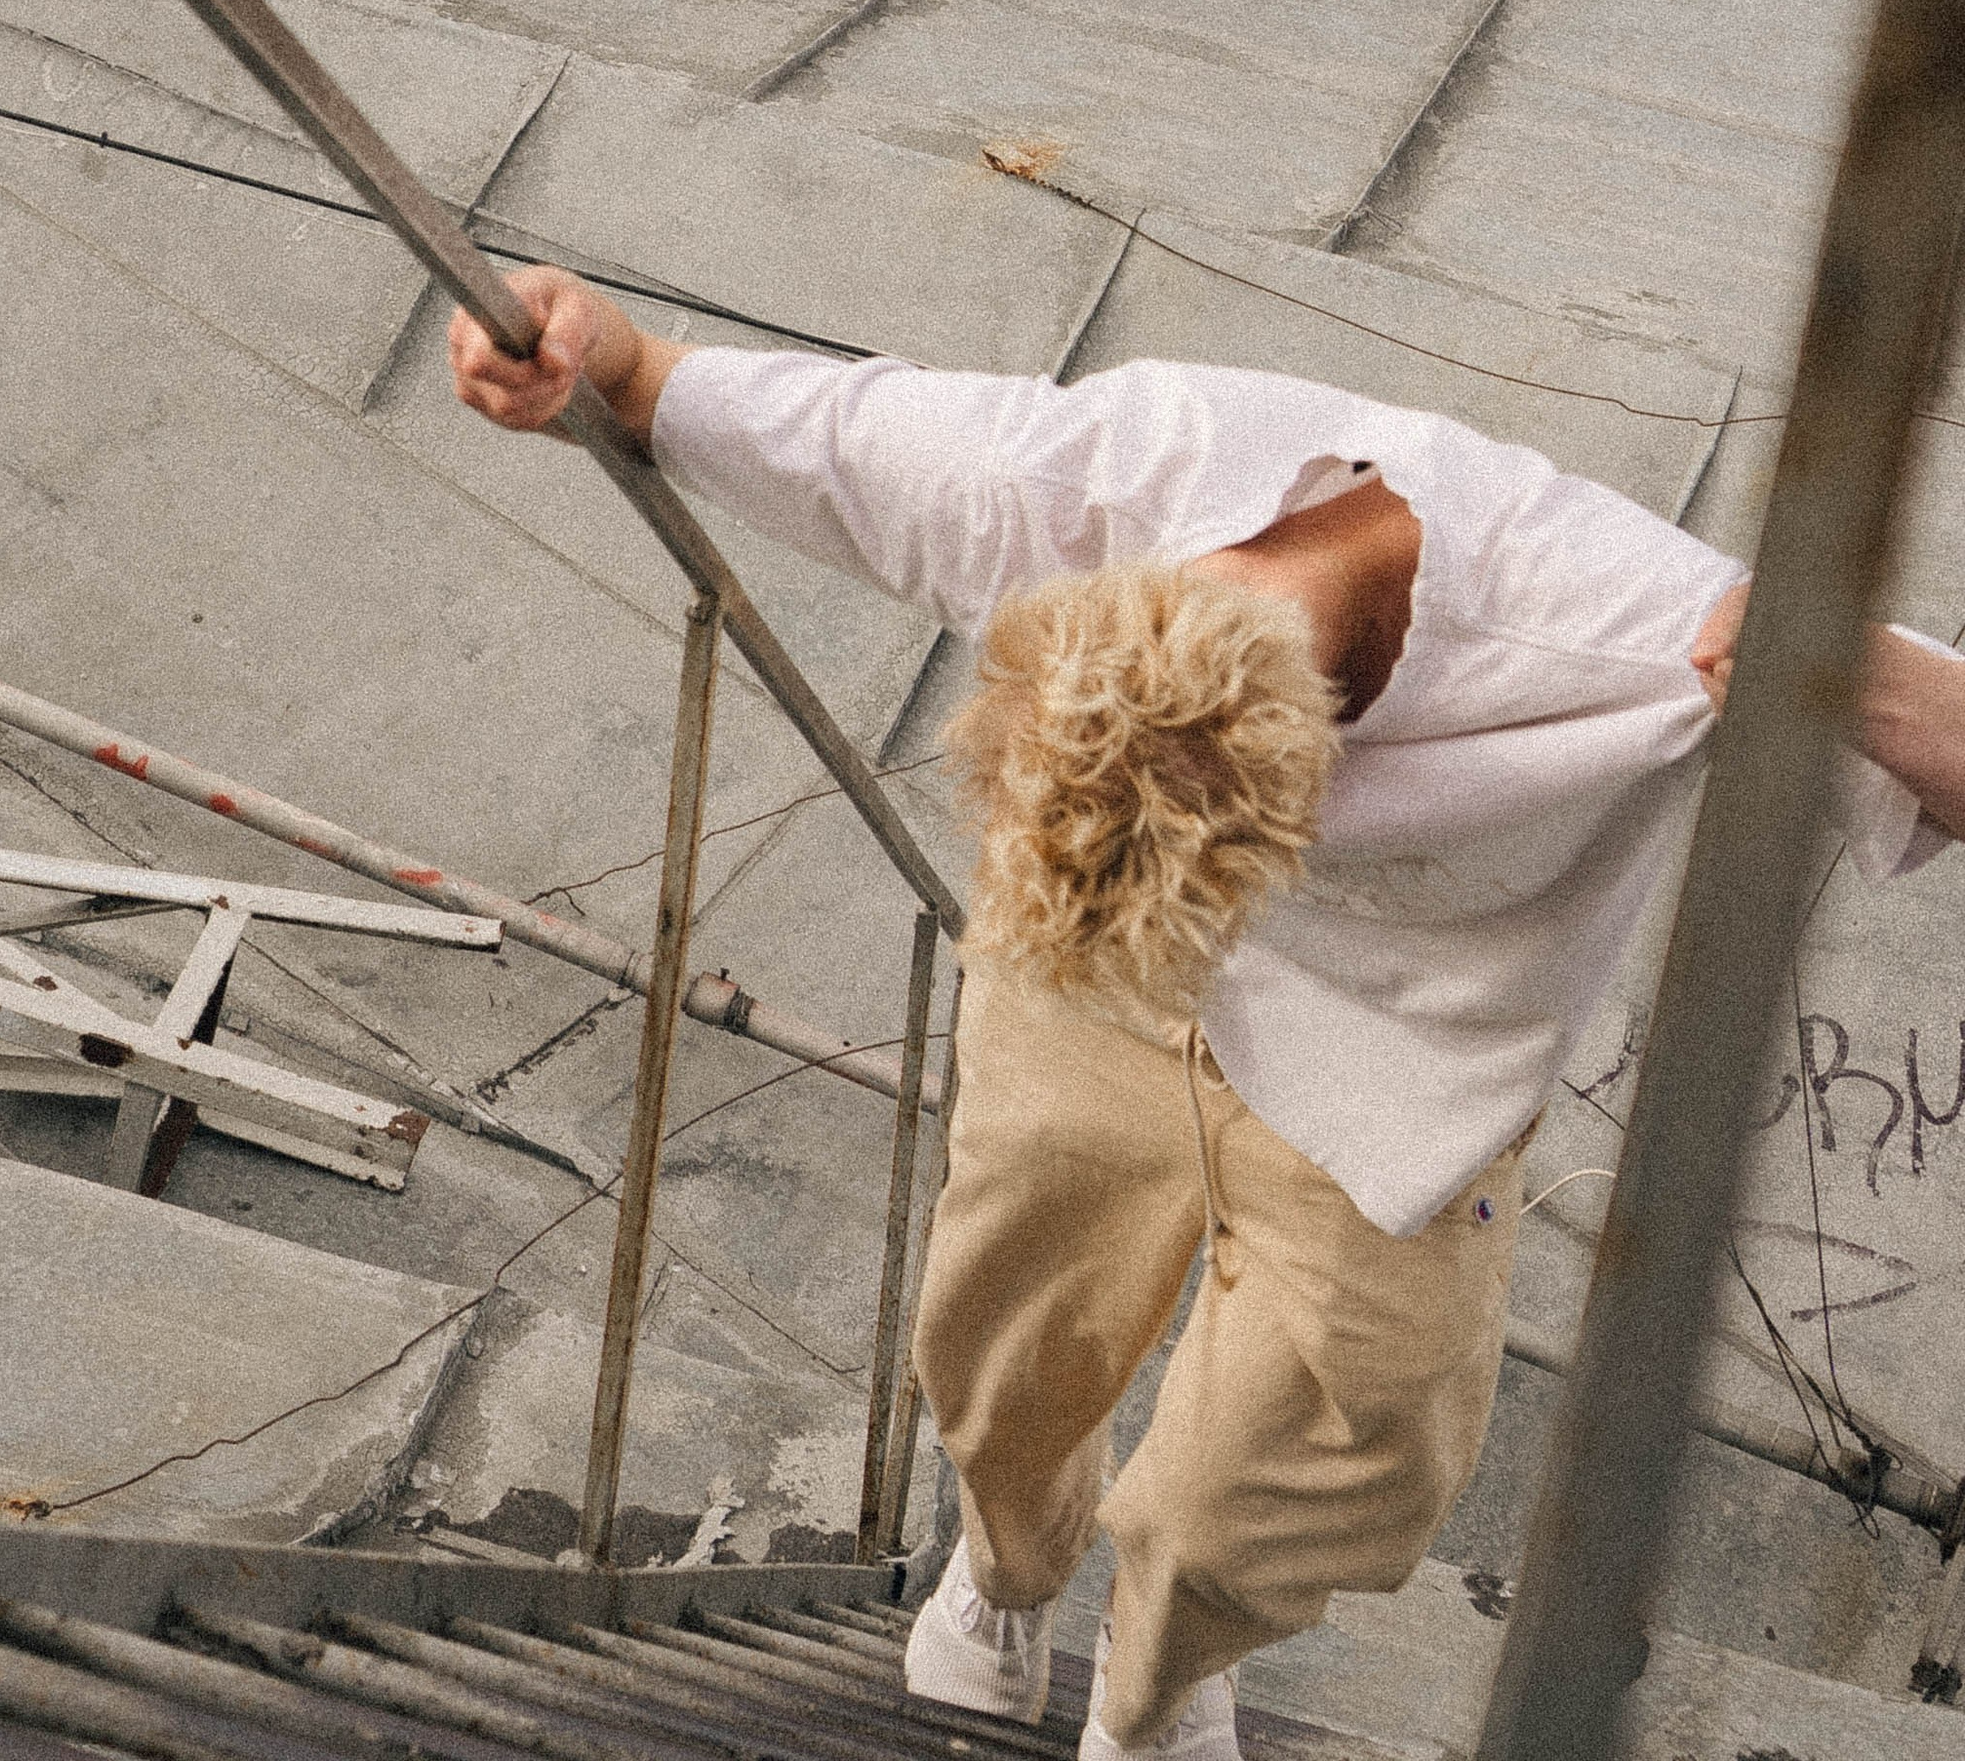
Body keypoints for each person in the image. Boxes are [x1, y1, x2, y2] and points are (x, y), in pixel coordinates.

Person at [449, 272, 1965, 1761]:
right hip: (1084, 993)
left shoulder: (1617, 618)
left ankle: (1165, 1672)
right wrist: (607, 361)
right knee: (1001, 1340)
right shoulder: (1099, 479)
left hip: (1403, 1069)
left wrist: (1876, 681)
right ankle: (1009, 1571)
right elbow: (819, 436)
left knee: (1340, 1452)